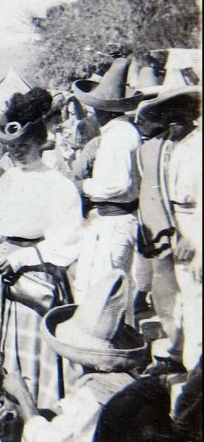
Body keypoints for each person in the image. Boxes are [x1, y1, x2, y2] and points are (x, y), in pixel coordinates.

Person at [0, 88, 84, 442]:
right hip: (1, 283)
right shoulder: (6, 181)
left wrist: (23, 258)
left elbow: (66, 242)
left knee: (33, 357)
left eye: (22, 145)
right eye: (10, 147)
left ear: (39, 142)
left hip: (36, 281)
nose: (15, 152)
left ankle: (35, 431)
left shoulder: (60, 186)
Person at [0, 270, 148, 442]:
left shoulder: (94, 393)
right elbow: (68, 421)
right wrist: (20, 411)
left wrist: (24, 397)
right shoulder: (123, 378)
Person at [72, 58, 146, 320]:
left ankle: (111, 346)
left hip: (116, 218)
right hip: (116, 217)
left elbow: (117, 184)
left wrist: (84, 186)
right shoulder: (122, 132)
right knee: (114, 286)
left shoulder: (118, 136)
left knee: (106, 286)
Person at [135, 86, 201, 375]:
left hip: (194, 227)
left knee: (197, 297)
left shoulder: (197, 148)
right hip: (181, 224)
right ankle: (181, 354)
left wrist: (195, 237)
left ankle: (195, 368)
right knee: (185, 296)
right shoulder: (175, 148)